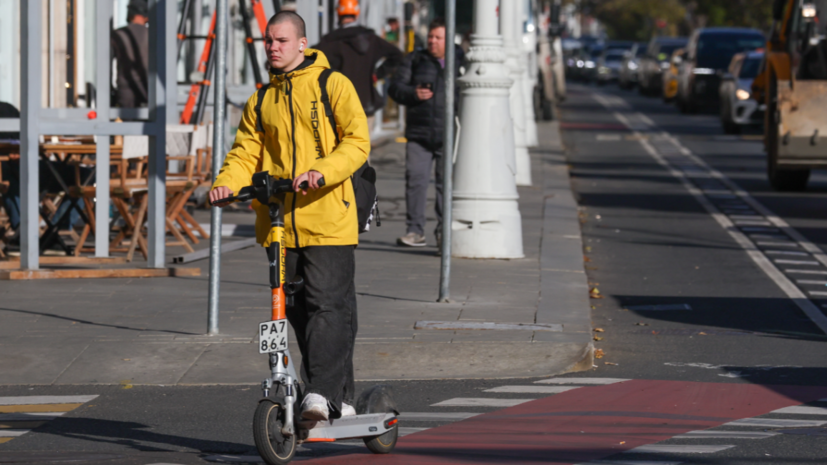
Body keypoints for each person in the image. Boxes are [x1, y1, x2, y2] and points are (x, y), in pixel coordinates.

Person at [209, 11, 369, 421]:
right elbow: (245, 152)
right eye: (268, 40)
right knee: (298, 315)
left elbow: (357, 142)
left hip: (329, 217)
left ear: (301, 43)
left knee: (328, 307)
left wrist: (322, 171)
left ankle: (319, 394)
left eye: (281, 40)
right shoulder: (262, 99)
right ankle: (340, 397)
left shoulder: (332, 84)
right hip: (280, 225)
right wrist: (226, 183)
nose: (273, 47)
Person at [388, 18, 461, 248]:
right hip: (418, 133)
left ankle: (443, 233)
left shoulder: (461, 60)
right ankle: (414, 231)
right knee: (415, 181)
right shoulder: (415, 59)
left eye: (438, 37)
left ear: (449, 40)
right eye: (430, 36)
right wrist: (413, 93)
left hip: (449, 134)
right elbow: (395, 88)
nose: (432, 41)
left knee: (445, 185)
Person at [314, 0, 403, 130]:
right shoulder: (371, 39)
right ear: (357, 13)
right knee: (362, 143)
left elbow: (309, 59)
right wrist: (377, 75)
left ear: (338, 13)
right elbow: (397, 55)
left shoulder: (330, 41)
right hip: (366, 104)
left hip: (338, 106)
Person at [111, 0, 149, 108]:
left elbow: (106, 64)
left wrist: (109, 90)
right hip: (147, 88)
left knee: (126, 118)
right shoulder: (152, 35)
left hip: (125, 91)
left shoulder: (117, 34)